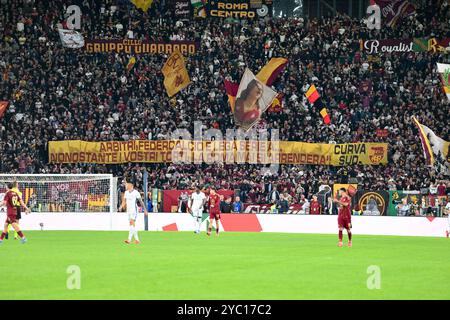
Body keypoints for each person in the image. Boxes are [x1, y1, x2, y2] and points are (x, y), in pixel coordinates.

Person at [119, 178, 148, 244]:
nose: (126, 186)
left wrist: (145, 210)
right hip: (128, 211)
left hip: (134, 211)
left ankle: (129, 239)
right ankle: (137, 240)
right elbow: (124, 201)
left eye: (127, 184)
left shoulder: (136, 193)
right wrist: (121, 206)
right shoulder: (126, 192)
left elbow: (141, 202)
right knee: (132, 225)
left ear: (131, 185)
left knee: (132, 223)